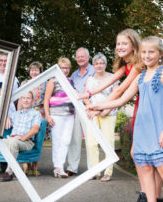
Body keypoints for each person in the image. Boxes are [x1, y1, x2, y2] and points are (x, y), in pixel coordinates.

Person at [88, 36, 163, 202]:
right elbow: (120, 99)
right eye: (144, 52)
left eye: (151, 52)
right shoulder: (141, 75)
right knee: (146, 169)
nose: (147, 55)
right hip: (142, 130)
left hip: (160, 129)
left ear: (160, 54)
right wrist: (96, 106)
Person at [83, 29, 163, 202]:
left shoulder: (137, 66)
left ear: (134, 45)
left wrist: (100, 107)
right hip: (141, 107)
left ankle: (149, 199)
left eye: (124, 44)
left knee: (146, 155)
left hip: (148, 108)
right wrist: (91, 97)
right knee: (145, 155)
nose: (119, 47)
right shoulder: (126, 65)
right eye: (118, 43)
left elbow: (120, 92)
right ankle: (154, 200)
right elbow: (112, 85)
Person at [83, 53, 119, 181]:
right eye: (96, 63)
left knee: (108, 143)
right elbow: (86, 97)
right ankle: (95, 171)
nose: (99, 65)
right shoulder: (90, 79)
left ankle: (108, 172)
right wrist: (91, 108)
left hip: (108, 113)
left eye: (101, 63)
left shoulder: (113, 78)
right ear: (93, 65)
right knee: (92, 144)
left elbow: (116, 96)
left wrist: (103, 111)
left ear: (105, 64)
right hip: (93, 114)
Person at [66, 47, 95, 176]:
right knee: (75, 139)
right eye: (78, 57)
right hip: (76, 110)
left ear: (88, 57)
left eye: (83, 56)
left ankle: (93, 169)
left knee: (91, 140)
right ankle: (72, 167)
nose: (80, 59)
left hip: (90, 108)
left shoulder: (95, 71)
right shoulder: (73, 75)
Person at [44, 58, 76, 178]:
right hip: (56, 115)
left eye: (67, 68)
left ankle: (60, 166)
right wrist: (47, 115)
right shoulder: (52, 81)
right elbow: (46, 99)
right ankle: (58, 167)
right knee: (57, 141)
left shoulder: (71, 81)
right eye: (62, 67)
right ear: (58, 68)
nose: (65, 70)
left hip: (70, 115)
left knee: (66, 141)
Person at [17, 61, 45, 176]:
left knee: (37, 140)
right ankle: (27, 163)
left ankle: (34, 165)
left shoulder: (45, 83)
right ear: (29, 71)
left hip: (40, 113)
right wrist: (19, 113)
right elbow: (20, 99)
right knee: (26, 137)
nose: (34, 72)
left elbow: (47, 99)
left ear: (40, 71)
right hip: (26, 113)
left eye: (36, 70)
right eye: (32, 70)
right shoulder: (24, 83)